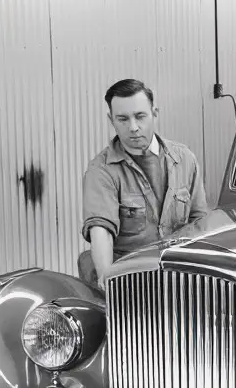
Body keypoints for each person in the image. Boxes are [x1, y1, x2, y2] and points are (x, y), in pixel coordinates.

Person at [80, 79, 208, 290]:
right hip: (131, 282)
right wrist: (107, 277)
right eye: (122, 119)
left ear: (154, 113)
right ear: (111, 119)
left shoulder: (184, 159)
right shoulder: (101, 170)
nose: (133, 128)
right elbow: (101, 229)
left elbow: (200, 223)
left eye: (140, 116)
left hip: (182, 277)